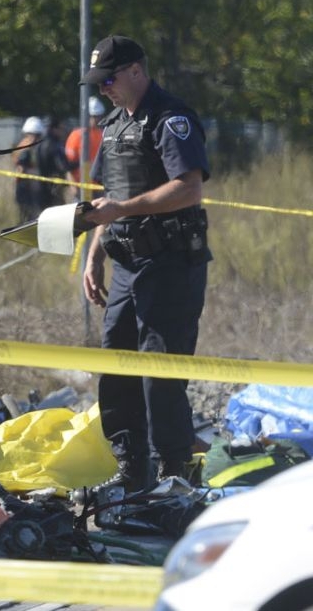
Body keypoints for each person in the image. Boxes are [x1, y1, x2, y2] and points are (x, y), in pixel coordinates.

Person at [79, 35, 212, 493]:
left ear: (136, 70)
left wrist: (124, 210)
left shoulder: (170, 118)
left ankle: (173, 472)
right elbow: (107, 201)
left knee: (160, 370)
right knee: (117, 364)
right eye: (98, 84)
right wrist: (95, 255)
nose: (103, 91)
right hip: (126, 265)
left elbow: (188, 188)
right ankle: (130, 468)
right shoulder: (114, 127)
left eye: (109, 80)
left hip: (171, 263)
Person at [13, 116, 69, 221]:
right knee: (26, 219)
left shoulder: (39, 147)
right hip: (26, 190)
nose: (33, 138)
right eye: (31, 135)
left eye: (36, 135)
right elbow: (20, 169)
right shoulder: (25, 149)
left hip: (39, 192)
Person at [64, 96, 106, 199]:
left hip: (99, 187)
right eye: (93, 116)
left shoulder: (103, 134)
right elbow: (68, 166)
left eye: (98, 116)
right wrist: (73, 186)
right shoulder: (76, 135)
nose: (96, 119)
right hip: (80, 187)